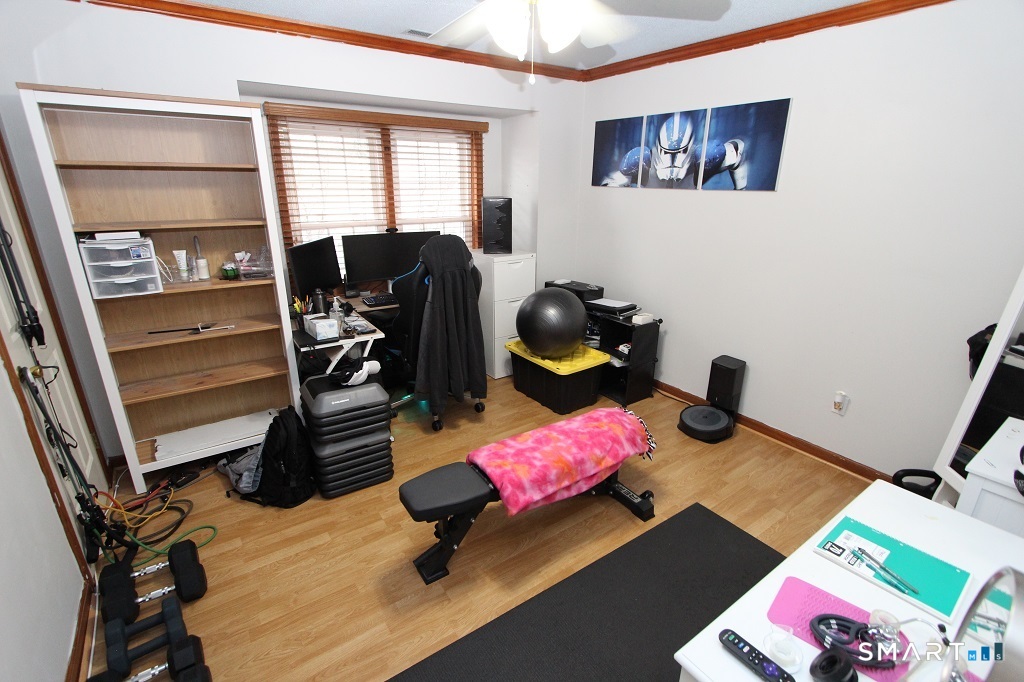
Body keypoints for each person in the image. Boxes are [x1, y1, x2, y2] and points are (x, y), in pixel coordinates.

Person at [601, 112, 748, 190]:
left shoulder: (704, 157)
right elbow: (609, 184)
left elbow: (737, 151)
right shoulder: (642, 159)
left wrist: (740, 190)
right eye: (667, 153)